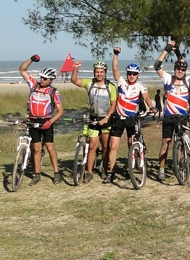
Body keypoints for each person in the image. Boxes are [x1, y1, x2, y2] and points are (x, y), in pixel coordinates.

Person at [155, 39, 190, 181]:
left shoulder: (188, 81)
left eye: (183, 69)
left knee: (180, 141)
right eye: (178, 68)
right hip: (168, 116)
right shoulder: (168, 79)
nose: (180, 71)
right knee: (165, 141)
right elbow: (157, 65)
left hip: (182, 116)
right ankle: (161, 169)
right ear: (175, 69)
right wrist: (167, 49)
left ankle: (179, 165)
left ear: (185, 71)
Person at [104, 47, 152, 184]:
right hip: (118, 119)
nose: (131, 76)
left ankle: (129, 168)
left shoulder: (141, 86)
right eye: (130, 73)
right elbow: (114, 69)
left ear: (138, 75)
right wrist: (115, 55)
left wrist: (151, 106)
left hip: (132, 120)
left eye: (134, 74)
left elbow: (147, 97)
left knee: (131, 145)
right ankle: (111, 172)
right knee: (113, 146)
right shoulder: (122, 83)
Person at [19, 55, 64, 185]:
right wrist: (31, 60)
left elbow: (61, 111)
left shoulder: (54, 92)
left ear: (51, 80)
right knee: (37, 148)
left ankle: (56, 173)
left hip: (47, 121)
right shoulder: (34, 85)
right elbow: (22, 70)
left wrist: (51, 122)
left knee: (50, 147)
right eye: (41, 77)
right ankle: (37, 174)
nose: (42, 80)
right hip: (33, 121)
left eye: (45, 79)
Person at [71, 60, 117, 183]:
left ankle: (104, 168)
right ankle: (89, 172)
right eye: (97, 72)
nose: (99, 74)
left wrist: (107, 117)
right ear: (94, 73)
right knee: (92, 146)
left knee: (106, 146)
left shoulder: (111, 87)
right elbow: (74, 81)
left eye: (101, 72)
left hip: (106, 119)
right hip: (93, 118)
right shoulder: (89, 83)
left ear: (105, 73)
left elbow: (113, 105)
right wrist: (75, 68)